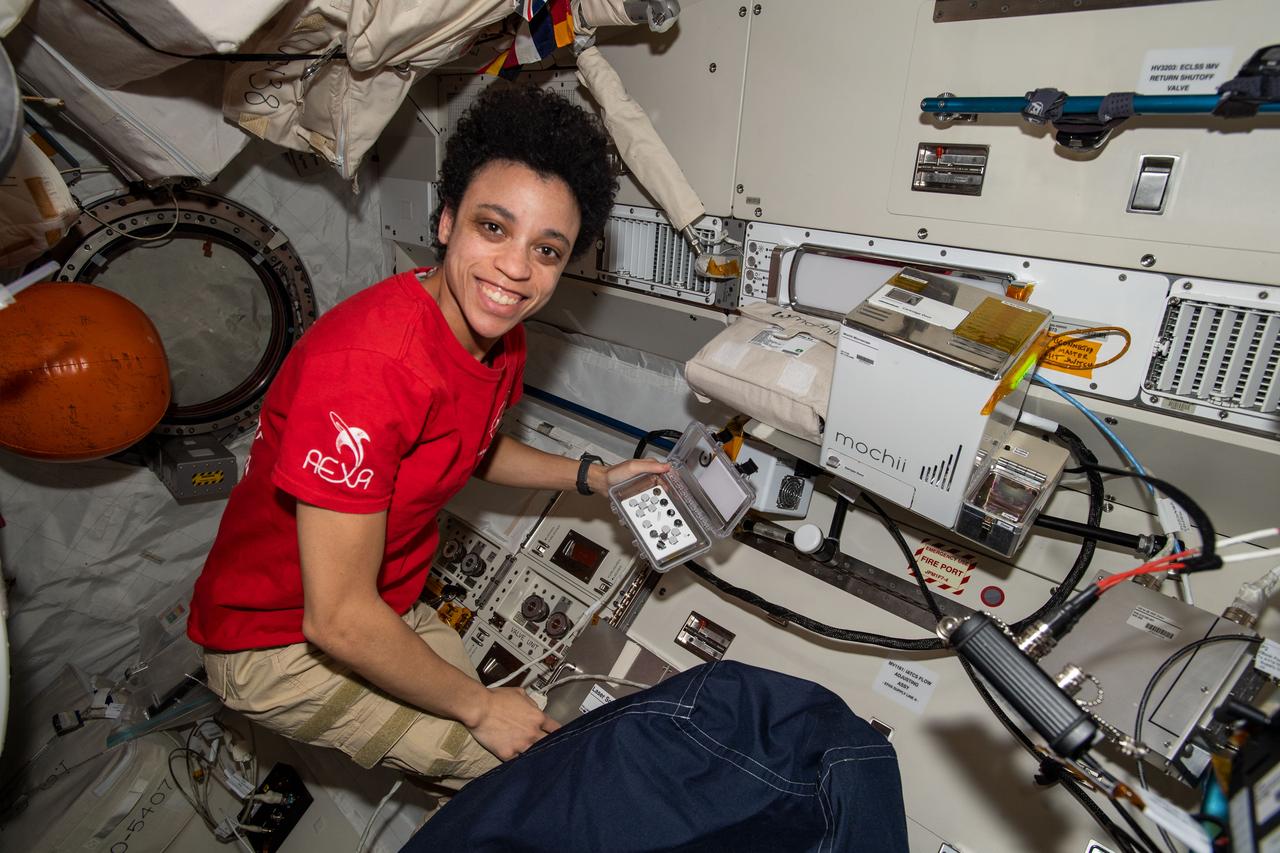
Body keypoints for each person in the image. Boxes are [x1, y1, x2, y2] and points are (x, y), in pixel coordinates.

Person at [187, 84, 668, 782]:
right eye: (493, 228)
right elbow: (338, 621)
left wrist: (595, 477)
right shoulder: (368, 370)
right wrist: (476, 707)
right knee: (518, 773)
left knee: (514, 740)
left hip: (385, 604)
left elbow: (471, 447)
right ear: (445, 222)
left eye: (547, 249)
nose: (515, 269)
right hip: (278, 640)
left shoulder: (497, 337)